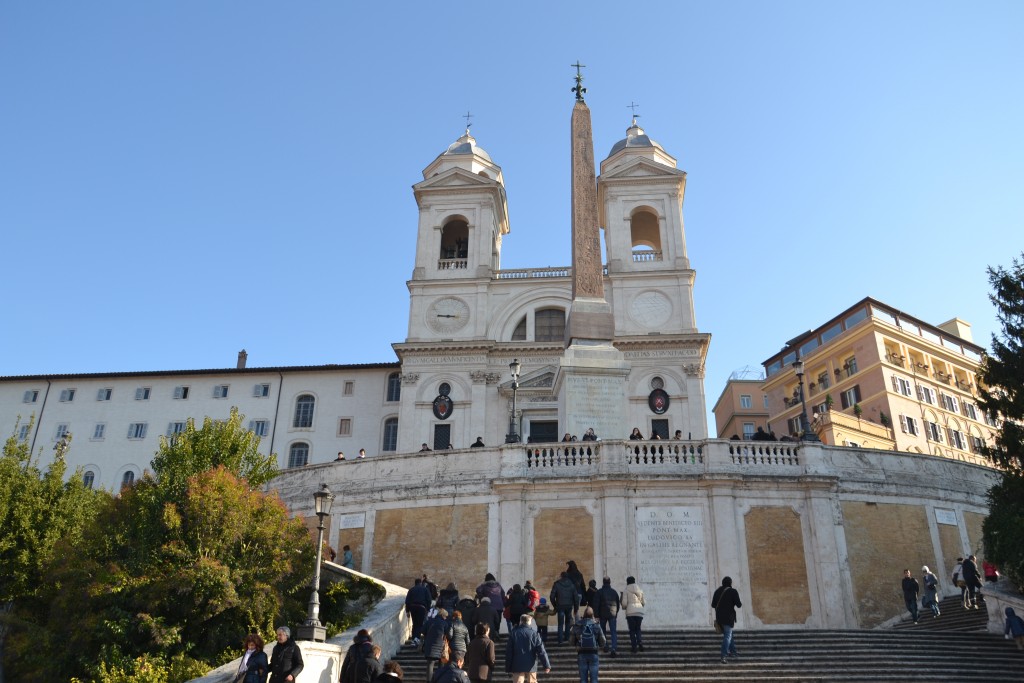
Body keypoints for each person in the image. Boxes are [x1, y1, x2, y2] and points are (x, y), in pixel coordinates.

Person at [505, 614, 551, 683]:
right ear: (530, 622)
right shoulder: (535, 634)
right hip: (531, 665)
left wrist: (508, 667)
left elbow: (509, 652)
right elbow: (541, 651)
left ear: (520, 622)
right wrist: (546, 665)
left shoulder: (513, 634)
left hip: (517, 665)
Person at [570, 606, 606, 683]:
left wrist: (578, 643)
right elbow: (603, 642)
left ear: (584, 614)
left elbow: (571, 642)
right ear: (592, 615)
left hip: (581, 653)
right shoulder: (596, 625)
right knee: (594, 680)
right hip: (593, 654)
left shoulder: (577, 625)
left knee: (583, 680)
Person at [711, 576, 741, 663]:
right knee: (728, 635)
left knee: (729, 634)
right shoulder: (733, 591)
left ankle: (733, 652)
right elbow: (739, 605)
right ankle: (723, 655)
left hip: (719, 618)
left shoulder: (717, 591)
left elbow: (713, 605)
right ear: (730, 583)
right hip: (728, 618)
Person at [421, 608, 449, 683]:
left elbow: (422, 631)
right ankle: (439, 680)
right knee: (441, 665)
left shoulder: (429, 621)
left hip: (430, 646)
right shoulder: (445, 624)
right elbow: (448, 635)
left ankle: (429, 681)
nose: (446, 618)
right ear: (443, 616)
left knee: (430, 664)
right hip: (440, 647)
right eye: (445, 616)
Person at [549, 571, 578, 644]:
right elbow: (576, 598)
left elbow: (552, 597)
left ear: (561, 576)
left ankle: (560, 640)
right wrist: (576, 609)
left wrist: (555, 606)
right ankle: (567, 638)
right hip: (569, 606)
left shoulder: (557, 584)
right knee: (567, 622)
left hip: (560, 606)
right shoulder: (572, 585)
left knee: (560, 623)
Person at [594, 577, 620, 658]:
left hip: (602, 614)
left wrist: (596, 615)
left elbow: (596, 604)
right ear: (610, 582)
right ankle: (613, 648)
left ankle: (605, 645)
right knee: (613, 632)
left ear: (603, 582)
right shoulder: (614, 592)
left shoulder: (599, 592)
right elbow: (618, 604)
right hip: (612, 614)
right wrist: (615, 613)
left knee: (602, 631)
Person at [621, 576, 645, 654]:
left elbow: (624, 604)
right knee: (638, 628)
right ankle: (640, 641)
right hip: (639, 612)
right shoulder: (639, 590)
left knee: (632, 630)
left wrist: (624, 607)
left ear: (627, 582)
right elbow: (643, 602)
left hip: (630, 613)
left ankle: (634, 647)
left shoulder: (626, 590)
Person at [406, 578, 433, 644]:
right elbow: (429, 600)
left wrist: (407, 611)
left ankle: (413, 638)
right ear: (421, 583)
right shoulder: (425, 589)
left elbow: (407, 601)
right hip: (421, 607)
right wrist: (428, 609)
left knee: (414, 623)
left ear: (415, 583)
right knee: (419, 624)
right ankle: (417, 638)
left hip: (413, 607)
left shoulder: (411, 590)